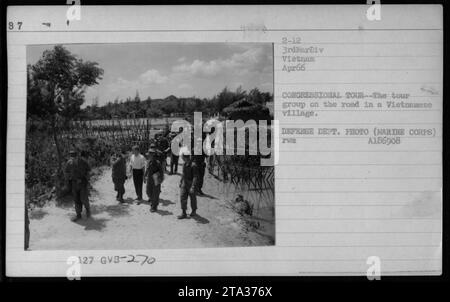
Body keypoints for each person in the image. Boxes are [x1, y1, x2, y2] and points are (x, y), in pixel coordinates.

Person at [65, 149, 91, 221]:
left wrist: (87, 179)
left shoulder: (83, 162)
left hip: (83, 182)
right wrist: (68, 181)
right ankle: (78, 214)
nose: (73, 158)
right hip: (74, 183)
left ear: (77, 156)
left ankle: (88, 210)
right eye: (71, 157)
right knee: (76, 199)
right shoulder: (69, 163)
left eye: (74, 156)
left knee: (84, 198)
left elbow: (88, 170)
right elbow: (66, 172)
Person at [178, 147, 199, 219]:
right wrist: (181, 181)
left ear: (186, 157)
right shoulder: (184, 164)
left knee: (193, 198)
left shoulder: (193, 165)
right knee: (182, 197)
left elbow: (195, 177)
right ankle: (183, 212)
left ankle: (194, 210)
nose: (182, 158)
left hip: (191, 183)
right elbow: (183, 174)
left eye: (183, 157)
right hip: (185, 182)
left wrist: (193, 187)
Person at [144, 147, 164, 212]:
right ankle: (153, 202)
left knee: (155, 193)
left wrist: (160, 180)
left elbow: (161, 172)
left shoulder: (157, 163)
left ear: (152, 155)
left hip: (156, 179)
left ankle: (154, 206)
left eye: (149, 155)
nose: (148, 156)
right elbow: (147, 169)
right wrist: (144, 176)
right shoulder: (149, 162)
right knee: (148, 192)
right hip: (149, 179)